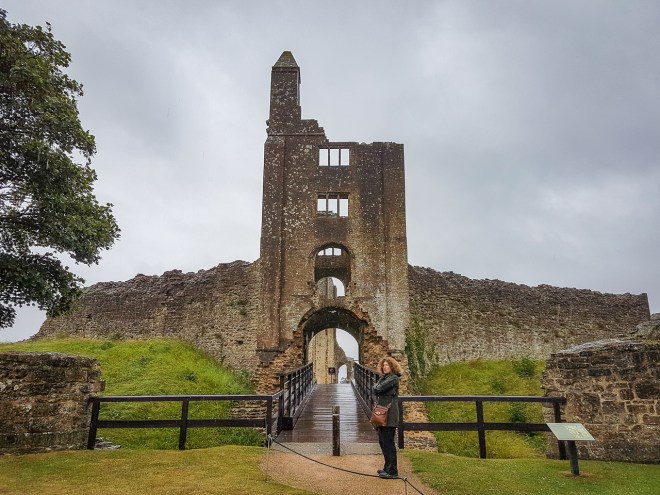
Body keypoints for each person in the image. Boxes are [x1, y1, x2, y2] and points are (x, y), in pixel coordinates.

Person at [373, 356, 401, 479]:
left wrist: (377, 386)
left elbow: (377, 388)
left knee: (388, 442)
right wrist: (377, 387)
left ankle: (392, 471)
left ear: (392, 367)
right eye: (383, 365)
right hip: (383, 413)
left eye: (387, 365)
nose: (385, 367)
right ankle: (387, 467)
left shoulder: (393, 378)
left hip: (389, 414)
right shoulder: (385, 378)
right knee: (383, 441)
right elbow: (376, 389)